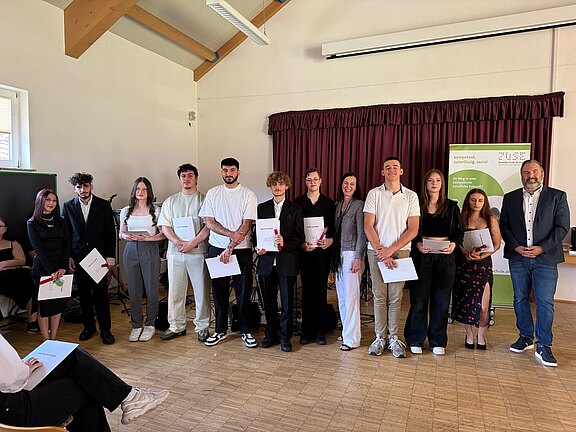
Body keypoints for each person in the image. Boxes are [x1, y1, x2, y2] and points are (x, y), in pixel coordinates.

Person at [0, 333, 169, 430]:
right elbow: (13, 378)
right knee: (83, 384)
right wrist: (24, 370)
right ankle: (129, 397)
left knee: (70, 357)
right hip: (13, 412)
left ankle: (129, 397)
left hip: (7, 406)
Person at [500, 159, 570, 367]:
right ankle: (525, 337)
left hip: (545, 258)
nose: (530, 175)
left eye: (534, 171)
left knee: (544, 302)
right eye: (526, 172)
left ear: (542, 173)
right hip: (518, 257)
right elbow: (504, 226)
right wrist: (515, 246)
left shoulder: (557, 196)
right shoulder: (510, 198)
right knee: (520, 298)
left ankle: (544, 345)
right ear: (521, 175)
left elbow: (562, 227)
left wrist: (542, 247)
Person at [363, 157, 420, 358]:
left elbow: (413, 229)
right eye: (388, 167)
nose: (392, 170)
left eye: (395, 167)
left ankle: (394, 338)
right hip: (376, 252)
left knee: (396, 298)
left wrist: (391, 250)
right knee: (379, 297)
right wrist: (381, 250)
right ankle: (380, 338)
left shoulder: (411, 196)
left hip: (401, 252)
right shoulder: (374, 194)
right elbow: (368, 225)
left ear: (401, 171)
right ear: (382, 172)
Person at [199, 157, 258, 348]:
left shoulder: (248, 194)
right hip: (217, 249)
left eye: (232, 170)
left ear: (238, 172)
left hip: (241, 251)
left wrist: (231, 247)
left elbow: (247, 224)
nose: (228, 173)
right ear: (221, 172)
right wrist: (229, 237)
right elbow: (209, 222)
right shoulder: (213, 193)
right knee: (219, 292)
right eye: (225, 170)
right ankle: (220, 330)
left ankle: (245, 330)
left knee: (243, 292)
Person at [404, 170, 462, 355]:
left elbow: (459, 232)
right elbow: (408, 229)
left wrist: (454, 244)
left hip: (446, 258)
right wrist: (417, 243)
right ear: (425, 184)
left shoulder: (452, 207)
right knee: (419, 299)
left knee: (441, 300)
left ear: (442, 183)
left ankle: (438, 340)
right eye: (430, 180)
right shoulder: (416, 205)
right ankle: (415, 338)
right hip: (422, 256)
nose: (434, 183)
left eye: (438, 180)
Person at [157, 164, 211, 342]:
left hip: (198, 252)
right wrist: (177, 242)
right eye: (183, 176)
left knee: (201, 291)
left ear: (196, 178)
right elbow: (165, 226)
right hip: (176, 252)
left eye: (190, 175)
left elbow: (207, 227)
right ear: (179, 179)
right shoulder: (170, 201)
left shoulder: (204, 200)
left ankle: (202, 326)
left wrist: (192, 243)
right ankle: (176, 325)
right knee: (175, 291)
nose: (186, 179)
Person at [61, 173, 117, 345]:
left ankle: (105, 330)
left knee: (101, 295)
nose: (82, 189)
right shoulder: (68, 206)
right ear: (74, 188)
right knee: (84, 296)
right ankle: (89, 327)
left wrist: (110, 257)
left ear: (91, 186)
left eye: (85, 186)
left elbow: (110, 232)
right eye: (79, 186)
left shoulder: (103, 205)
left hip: (98, 258)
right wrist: (69, 255)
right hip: (78, 257)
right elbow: (66, 234)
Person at [255, 172, 305, 353]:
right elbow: (256, 236)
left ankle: (285, 337)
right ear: (270, 186)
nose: (277, 187)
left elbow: (300, 238)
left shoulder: (295, 208)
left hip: (286, 262)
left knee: (287, 302)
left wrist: (286, 242)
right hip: (266, 261)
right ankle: (271, 334)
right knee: (268, 302)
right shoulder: (261, 208)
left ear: (287, 186)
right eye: (274, 184)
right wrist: (257, 247)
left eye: (281, 184)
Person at [452, 188, 501, 350]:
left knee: (483, 306)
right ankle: (469, 334)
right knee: (466, 302)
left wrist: (481, 256)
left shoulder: (490, 218)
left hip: (483, 266)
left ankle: (481, 335)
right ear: (468, 201)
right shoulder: (461, 217)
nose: (476, 203)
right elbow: (456, 240)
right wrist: (466, 254)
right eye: (473, 200)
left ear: (485, 202)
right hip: (464, 265)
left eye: (480, 200)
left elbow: (496, 244)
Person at [119, 177, 165, 342]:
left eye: (144, 189)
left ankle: (150, 324)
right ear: (134, 191)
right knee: (134, 289)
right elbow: (121, 233)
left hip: (149, 248)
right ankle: (136, 324)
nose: (140, 192)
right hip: (131, 249)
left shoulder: (156, 210)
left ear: (149, 192)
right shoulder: (126, 210)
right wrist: (127, 235)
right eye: (138, 189)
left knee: (151, 288)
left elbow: (162, 234)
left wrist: (147, 239)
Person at [294, 168, 335, 345]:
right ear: (305, 182)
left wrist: (331, 240)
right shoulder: (297, 203)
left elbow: (333, 227)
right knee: (306, 292)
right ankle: (306, 331)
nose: (312, 182)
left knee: (320, 292)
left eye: (315, 179)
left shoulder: (329, 203)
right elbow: (295, 229)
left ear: (321, 181)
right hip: (305, 253)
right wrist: (302, 244)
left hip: (322, 254)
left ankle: (320, 331)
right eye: (309, 179)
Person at [27, 189, 70, 341]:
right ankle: (46, 340)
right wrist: (51, 270)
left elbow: (66, 244)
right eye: (48, 200)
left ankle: (54, 337)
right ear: (40, 201)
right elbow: (38, 249)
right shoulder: (32, 223)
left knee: (58, 304)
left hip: (60, 268)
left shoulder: (61, 221)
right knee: (44, 305)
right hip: (43, 269)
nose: (51, 203)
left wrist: (63, 267)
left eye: (54, 200)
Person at [332, 172, 366, 351]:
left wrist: (359, 257)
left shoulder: (359, 205)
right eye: (346, 183)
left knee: (351, 298)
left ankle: (352, 339)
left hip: (352, 254)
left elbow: (362, 234)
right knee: (342, 298)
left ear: (356, 186)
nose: (348, 186)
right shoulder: (337, 205)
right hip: (338, 256)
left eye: (352, 183)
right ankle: (347, 331)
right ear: (341, 184)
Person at [0, 216, 37, 332]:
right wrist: (12, 265)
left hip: (16, 275)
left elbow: (21, 260)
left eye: (0, 226)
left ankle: (33, 322)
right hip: (3, 278)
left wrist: (3, 264)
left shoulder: (12, 243)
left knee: (28, 277)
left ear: (5, 228)